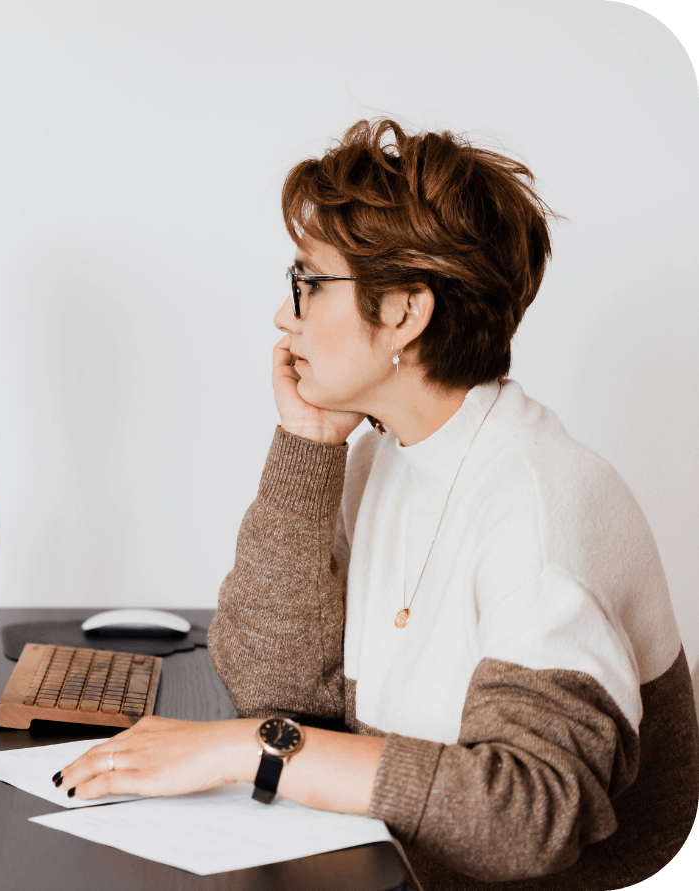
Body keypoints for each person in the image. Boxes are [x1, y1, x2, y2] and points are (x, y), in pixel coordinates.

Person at [56, 119, 699, 889]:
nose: (283, 313)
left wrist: (249, 748)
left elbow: (528, 816)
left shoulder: (542, 504)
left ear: (404, 312)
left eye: (307, 281)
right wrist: (307, 443)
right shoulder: (385, 454)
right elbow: (275, 684)